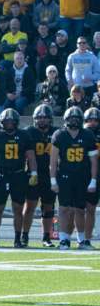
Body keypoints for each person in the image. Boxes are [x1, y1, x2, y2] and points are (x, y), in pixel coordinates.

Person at [0, 108, 36, 247]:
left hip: (18, 175)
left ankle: (17, 239)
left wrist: (34, 173)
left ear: (16, 122)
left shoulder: (24, 135)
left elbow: (31, 156)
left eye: (12, 122)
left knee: (18, 208)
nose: (9, 124)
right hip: (2, 175)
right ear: (2, 122)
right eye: (7, 121)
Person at [51, 107, 98, 250]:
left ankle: (81, 240)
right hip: (64, 176)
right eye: (71, 118)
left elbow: (94, 160)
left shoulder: (88, 135)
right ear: (66, 120)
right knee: (64, 208)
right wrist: (53, 180)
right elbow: (53, 161)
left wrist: (93, 180)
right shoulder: (59, 135)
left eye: (77, 118)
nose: (74, 121)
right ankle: (64, 239)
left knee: (80, 209)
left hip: (82, 176)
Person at [22, 104, 58, 248]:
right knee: (30, 205)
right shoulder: (29, 132)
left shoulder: (56, 133)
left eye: (45, 118)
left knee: (48, 207)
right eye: (39, 117)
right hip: (33, 174)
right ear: (34, 119)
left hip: (50, 175)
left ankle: (46, 237)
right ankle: (24, 235)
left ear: (50, 119)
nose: (42, 120)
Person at [82, 107, 100, 249]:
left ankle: (87, 239)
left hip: (97, 175)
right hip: (81, 174)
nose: (93, 123)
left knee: (91, 209)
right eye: (90, 120)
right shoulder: (80, 133)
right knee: (77, 209)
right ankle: (80, 238)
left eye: (95, 120)